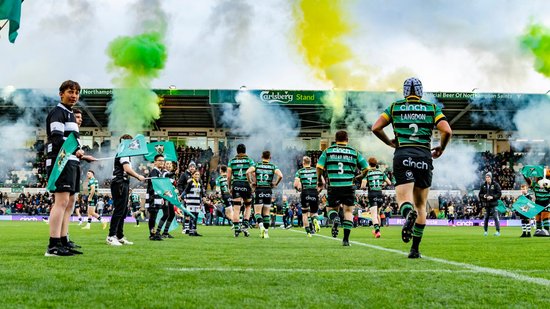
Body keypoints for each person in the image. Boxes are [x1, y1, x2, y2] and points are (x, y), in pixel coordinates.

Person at [372, 77, 452, 258]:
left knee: (404, 199)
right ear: (421, 92)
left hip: (403, 154)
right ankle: (415, 249)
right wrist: (441, 147)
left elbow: (376, 128)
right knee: (421, 205)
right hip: (424, 156)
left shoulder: (395, 107)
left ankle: (408, 214)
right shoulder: (432, 108)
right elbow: (447, 130)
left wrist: (390, 143)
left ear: (405, 92)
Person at [44, 81, 90, 256]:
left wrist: (82, 154)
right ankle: (53, 245)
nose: (74, 95)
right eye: (71, 92)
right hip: (60, 161)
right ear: (61, 93)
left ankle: (63, 240)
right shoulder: (58, 113)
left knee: (69, 203)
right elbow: (57, 138)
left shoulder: (70, 114)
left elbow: (71, 141)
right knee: (61, 202)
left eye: (77, 93)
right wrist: (76, 150)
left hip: (71, 162)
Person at [316, 130, 369, 246]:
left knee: (330, 210)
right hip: (349, 186)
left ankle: (335, 218)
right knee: (348, 212)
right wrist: (360, 177)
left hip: (334, 186)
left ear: (335, 139)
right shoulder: (354, 152)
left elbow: (319, 166)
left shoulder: (328, 151)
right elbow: (366, 168)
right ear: (347, 139)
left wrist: (319, 180)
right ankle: (346, 240)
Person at [106, 134, 145, 246]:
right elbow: (127, 169)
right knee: (119, 210)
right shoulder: (124, 153)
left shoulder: (125, 153)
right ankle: (111, 236)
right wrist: (138, 176)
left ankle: (119, 236)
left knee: (122, 211)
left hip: (122, 183)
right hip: (119, 182)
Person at [247, 150, 283, 239]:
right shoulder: (273, 166)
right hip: (268, 190)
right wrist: (275, 183)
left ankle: (261, 226)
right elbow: (281, 175)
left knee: (257, 212)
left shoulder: (257, 165)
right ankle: (266, 233)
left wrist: (251, 182)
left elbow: (248, 172)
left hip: (259, 189)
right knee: (266, 213)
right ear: (270, 158)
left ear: (261, 157)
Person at [359, 157, 391, 238]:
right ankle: (378, 230)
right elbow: (389, 182)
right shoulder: (381, 172)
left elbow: (363, 185)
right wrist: (383, 184)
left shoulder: (367, 173)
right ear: (376, 164)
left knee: (373, 215)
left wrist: (364, 188)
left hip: (372, 194)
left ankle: (377, 231)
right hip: (380, 194)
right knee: (378, 214)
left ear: (369, 164)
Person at [227, 144, 255, 237]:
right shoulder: (249, 160)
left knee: (236, 208)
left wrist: (229, 186)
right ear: (245, 150)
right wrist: (253, 184)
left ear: (237, 151)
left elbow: (228, 176)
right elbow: (253, 173)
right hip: (246, 184)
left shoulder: (232, 161)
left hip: (236, 184)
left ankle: (236, 229)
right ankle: (245, 226)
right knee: (248, 206)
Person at [294, 156, 321, 237]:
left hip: (305, 192)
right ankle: (315, 220)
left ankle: (308, 232)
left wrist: (298, 189)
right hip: (314, 192)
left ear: (303, 163)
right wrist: (318, 190)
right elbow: (322, 182)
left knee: (305, 213)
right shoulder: (316, 171)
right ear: (310, 162)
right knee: (314, 212)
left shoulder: (300, 171)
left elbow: (295, 184)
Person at [146, 154, 165, 241]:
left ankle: (154, 233)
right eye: (160, 160)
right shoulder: (154, 171)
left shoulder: (158, 172)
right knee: (153, 216)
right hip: (153, 197)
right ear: (155, 162)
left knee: (154, 215)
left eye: (163, 160)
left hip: (156, 197)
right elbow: (155, 186)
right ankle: (152, 234)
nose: (162, 162)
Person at [479, 172, 502, 236]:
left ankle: (498, 231)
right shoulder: (483, 185)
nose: (487, 178)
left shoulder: (495, 184)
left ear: (491, 177)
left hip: (494, 204)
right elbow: (480, 194)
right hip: (486, 204)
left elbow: (499, 193)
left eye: (488, 177)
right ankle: (485, 231)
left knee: (495, 217)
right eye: (486, 177)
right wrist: (484, 196)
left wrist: (492, 197)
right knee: (486, 218)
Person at [183, 171, 205, 236]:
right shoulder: (190, 182)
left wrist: (203, 197)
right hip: (190, 202)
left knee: (196, 217)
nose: (197, 176)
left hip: (197, 202)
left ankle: (194, 231)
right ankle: (190, 231)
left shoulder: (200, 183)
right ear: (193, 175)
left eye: (198, 174)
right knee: (192, 217)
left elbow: (202, 192)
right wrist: (181, 196)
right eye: (196, 174)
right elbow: (186, 191)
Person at [159, 161, 177, 238]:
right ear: (164, 165)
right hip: (165, 196)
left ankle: (165, 232)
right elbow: (167, 175)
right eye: (167, 164)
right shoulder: (164, 173)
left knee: (172, 214)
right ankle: (157, 231)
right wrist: (174, 173)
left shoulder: (171, 176)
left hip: (170, 197)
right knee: (166, 214)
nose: (169, 165)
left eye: (170, 164)